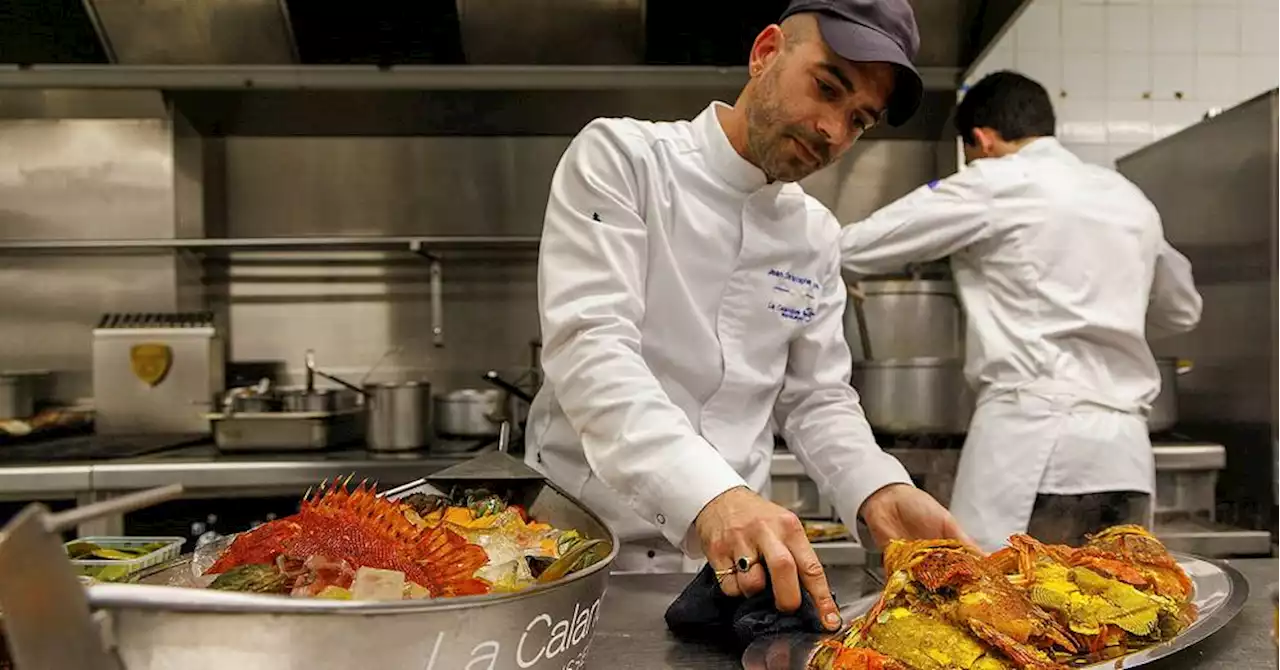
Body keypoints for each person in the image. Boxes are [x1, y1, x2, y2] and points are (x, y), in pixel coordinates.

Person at [525, 0, 974, 631]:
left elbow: (818, 397)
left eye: (859, 121)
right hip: (577, 555)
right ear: (766, 53)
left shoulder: (815, 233)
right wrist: (710, 496)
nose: (833, 131)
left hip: (731, 574)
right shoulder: (624, 158)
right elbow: (591, 347)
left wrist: (877, 488)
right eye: (826, 87)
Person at [839, 70, 1203, 552]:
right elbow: (1182, 310)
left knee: (995, 609)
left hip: (1031, 443)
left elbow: (854, 247)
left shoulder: (993, 182)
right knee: (1117, 606)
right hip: (1124, 453)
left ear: (982, 140)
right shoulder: (1126, 196)